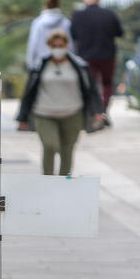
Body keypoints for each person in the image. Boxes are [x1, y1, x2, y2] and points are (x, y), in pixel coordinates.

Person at [16, 30, 105, 176]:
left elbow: (91, 90)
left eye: (61, 45)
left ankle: (64, 181)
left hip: (72, 113)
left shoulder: (79, 65)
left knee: (67, 149)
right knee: (50, 146)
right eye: (54, 45)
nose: (58, 49)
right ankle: (48, 179)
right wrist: (22, 117)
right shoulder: (40, 66)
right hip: (44, 112)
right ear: (49, 46)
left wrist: (96, 110)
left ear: (66, 45)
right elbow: (28, 92)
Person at [70, 0, 124, 120]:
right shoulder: (110, 14)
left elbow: (73, 35)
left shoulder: (77, 15)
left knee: (88, 84)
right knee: (107, 84)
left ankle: (93, 111)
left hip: (86, 56)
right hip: (107, 55)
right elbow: (119, 33)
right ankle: (103, 111)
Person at [25, 0, 70, 71]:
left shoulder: (38, 23)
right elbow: (70, 45)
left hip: (40, 65)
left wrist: (30, 64)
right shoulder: (66, 23)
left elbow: (33, 44)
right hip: (63, 64)